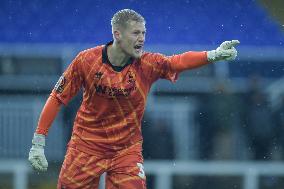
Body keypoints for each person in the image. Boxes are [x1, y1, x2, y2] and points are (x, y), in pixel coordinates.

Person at [28, 9, 239, 189]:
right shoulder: (86, 60)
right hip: (86, 147)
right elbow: (57, 97)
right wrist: (38, 141)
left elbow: (177, 62)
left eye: (144, 33)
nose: (142, 38)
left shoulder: (147, 64)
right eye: (136, 33)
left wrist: (212, 55)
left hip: (125, 151)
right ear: (118, 34)